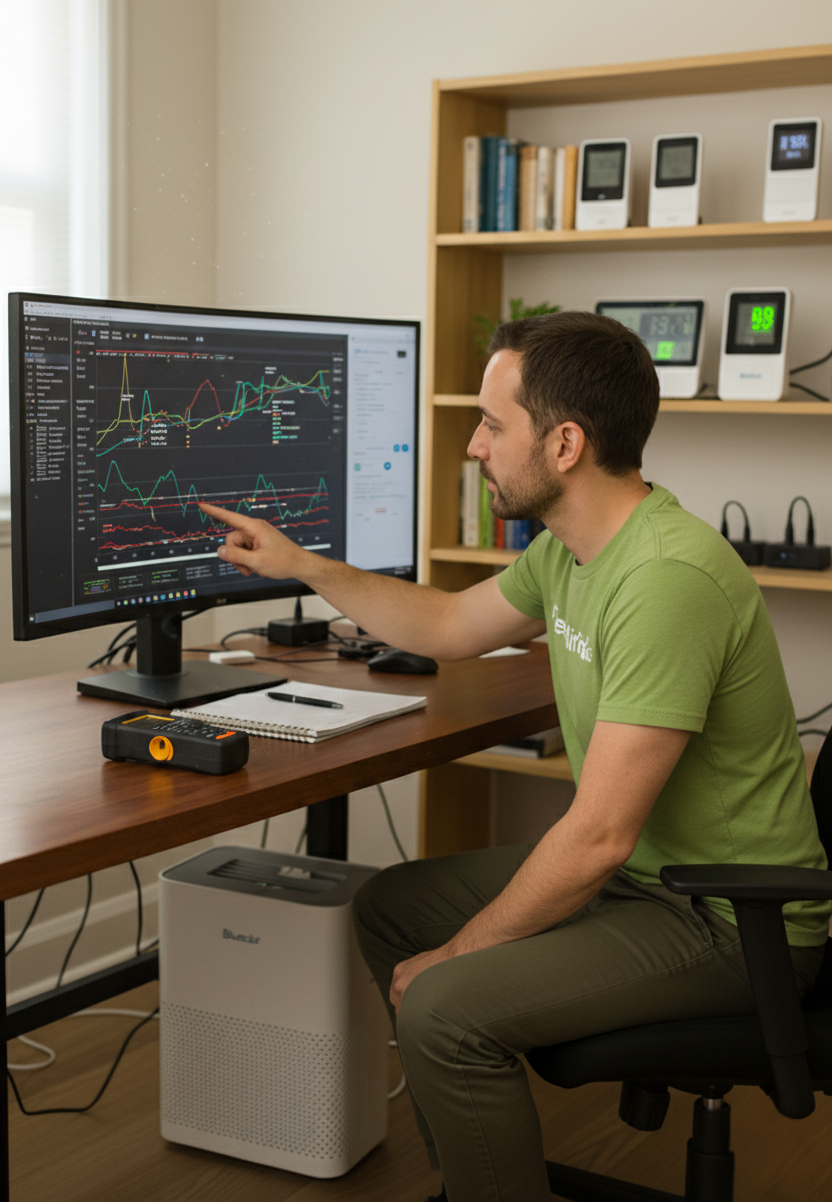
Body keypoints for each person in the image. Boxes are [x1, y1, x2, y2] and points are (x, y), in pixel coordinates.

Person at [199, 310, 829, 1202]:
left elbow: (600, 836)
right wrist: (307, 566)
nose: (472, 447)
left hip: (727, 918)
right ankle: (480, 1176)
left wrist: (456, 959)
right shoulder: (572, 552)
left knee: (444, 1009)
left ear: (565, 443)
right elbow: (451, 625)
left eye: (493, 425)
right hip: (651, 879)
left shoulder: (665, 580)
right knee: (389, 908)